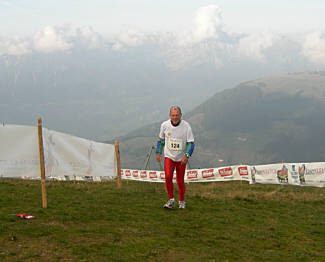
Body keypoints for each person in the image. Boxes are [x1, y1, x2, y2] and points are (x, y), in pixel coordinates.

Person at [156, 106, 195, 209]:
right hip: (169, 156)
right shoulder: (164, 125)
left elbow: (190, 143)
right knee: (168, 176)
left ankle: (181, 201)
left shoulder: (186, 126)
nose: (175, 117)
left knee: (180, 180)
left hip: (181, 158)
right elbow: (160, 140)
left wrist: (187, 155)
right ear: (169, 116)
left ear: (180, 115)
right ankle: (171, 200)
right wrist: (158, 152)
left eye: (177, 115)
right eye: (173, 115)